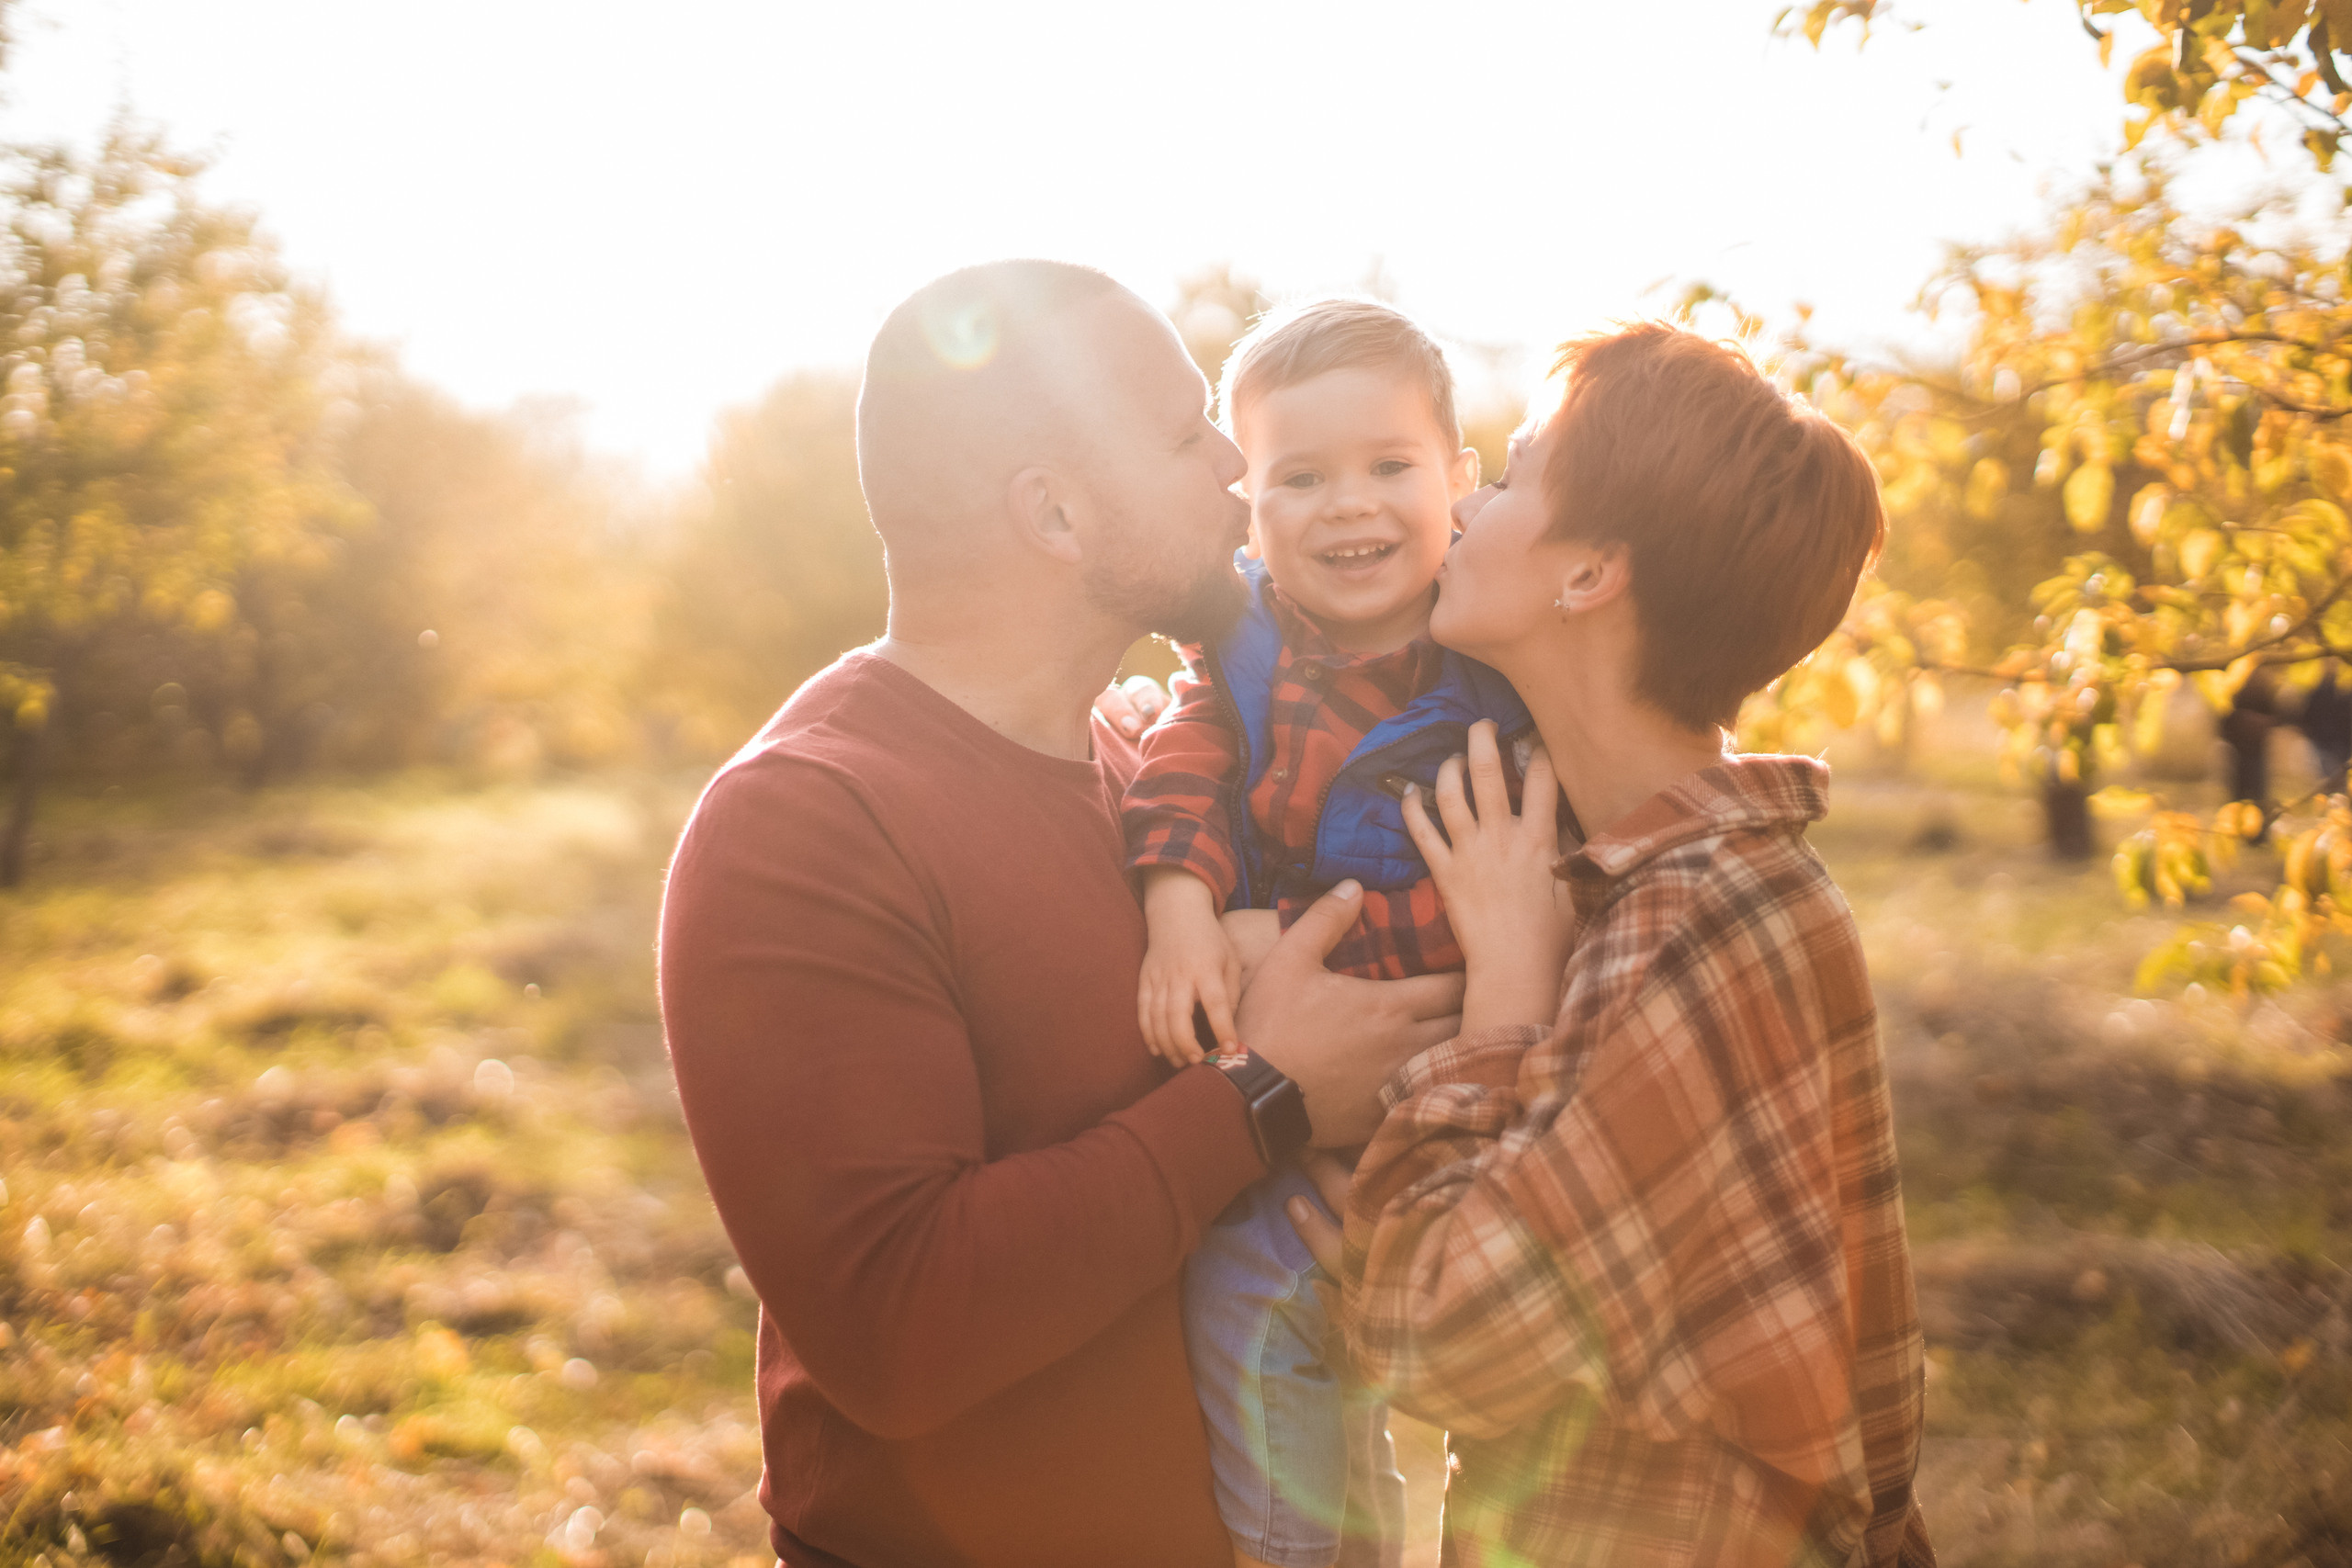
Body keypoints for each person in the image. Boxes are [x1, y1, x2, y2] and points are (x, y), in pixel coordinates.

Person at [656, 260, 1465, 1568]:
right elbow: (898, 1331)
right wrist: (1265, 1098)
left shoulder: (1161, 779)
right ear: (1056, 514)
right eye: (1182, 430)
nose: (1231, 466)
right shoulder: (807, 823)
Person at [1291, 322, 1935, 1565]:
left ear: (1589, 576)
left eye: (1517, 475)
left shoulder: (1710, 918)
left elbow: (1454, 1343)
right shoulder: (1628, 879)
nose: (1468, 502)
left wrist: (1506, 1009)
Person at [1120, 299, 1518, 1568]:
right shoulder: (1243, 657)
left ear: (1458, 480)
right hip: (1294, 1118)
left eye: (1389, 468)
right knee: (1257, 1314)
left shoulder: (1494, 655)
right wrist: (1182, 906)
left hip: (1464, 1089)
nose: (1349, 506)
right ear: (1250, 509)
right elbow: (1182, 766)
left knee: (1498, 1403)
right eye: (1300, 478)